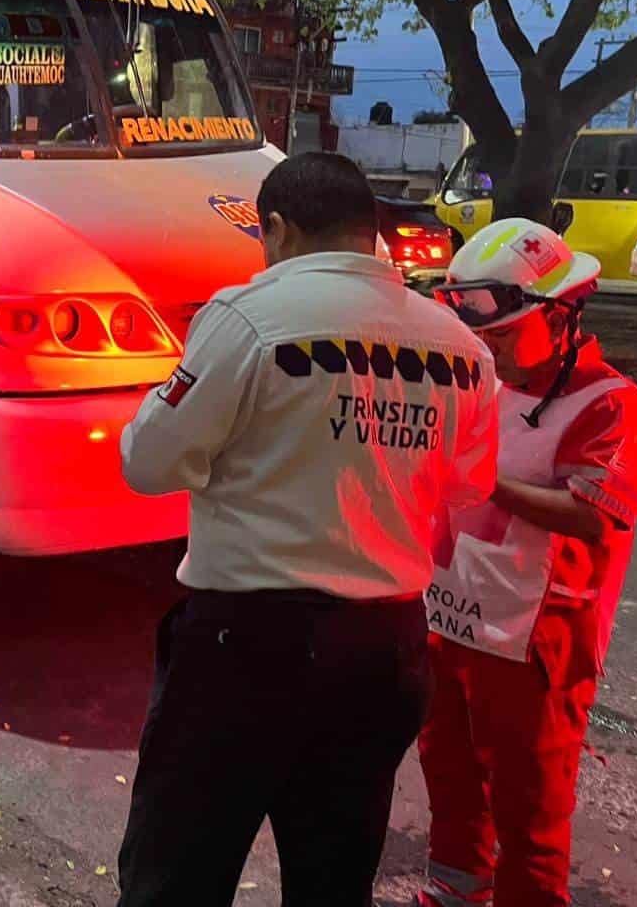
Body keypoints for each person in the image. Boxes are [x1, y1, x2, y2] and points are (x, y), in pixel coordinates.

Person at [113, 152, 499, 906]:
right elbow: (466, 486)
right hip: (385, 652)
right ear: (372, 230)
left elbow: (150, 462)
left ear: (280, 230)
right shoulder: (463, 349)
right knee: (333, 877)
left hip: (245, 648)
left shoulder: (248, 318)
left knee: (176, 874)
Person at [419, 219, 637, 907]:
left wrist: (482, 478)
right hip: (451, 618)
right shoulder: (478, 383)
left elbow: (595, 514)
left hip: (540, 643)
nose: (486, 351)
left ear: (561, 314)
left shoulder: (616, 406)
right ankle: (454, 891)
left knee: (531, 805)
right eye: (477, 338)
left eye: (500, 335)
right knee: (449, 775)